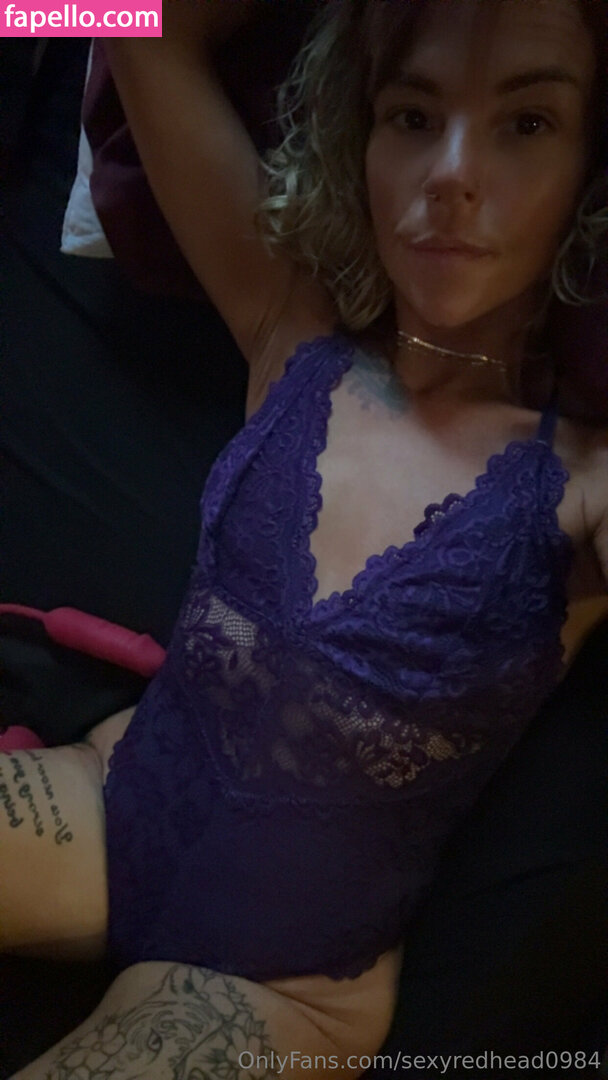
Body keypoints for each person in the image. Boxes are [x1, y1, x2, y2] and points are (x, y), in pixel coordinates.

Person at [2, 1, 607, 1076]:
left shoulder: (585, 484)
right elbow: (109, 16)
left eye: (525, 125)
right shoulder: (293, 328)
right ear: (357, 137)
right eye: (411, 115)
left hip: (278, 985)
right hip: (113, 809)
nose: (451, 174)